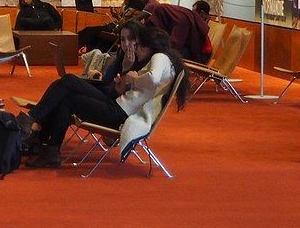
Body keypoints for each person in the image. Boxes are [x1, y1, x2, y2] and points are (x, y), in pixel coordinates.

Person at [20, 25, 188, 168]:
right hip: (118, 107)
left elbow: (153, 78)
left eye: (138, 45)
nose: (135, 49)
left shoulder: (159, 57)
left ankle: (34, 124)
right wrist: (126, 82)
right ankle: (49, 146)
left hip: (119, 113)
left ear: (147, 46)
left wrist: (134, 80)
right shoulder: (168, 61)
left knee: (68, 83)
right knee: (67, 91)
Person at [123, 0, 212, 62]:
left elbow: (175, 45)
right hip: (192, 48)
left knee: (164, 55)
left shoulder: (181, 20)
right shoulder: (165, 11)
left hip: (201, 55)